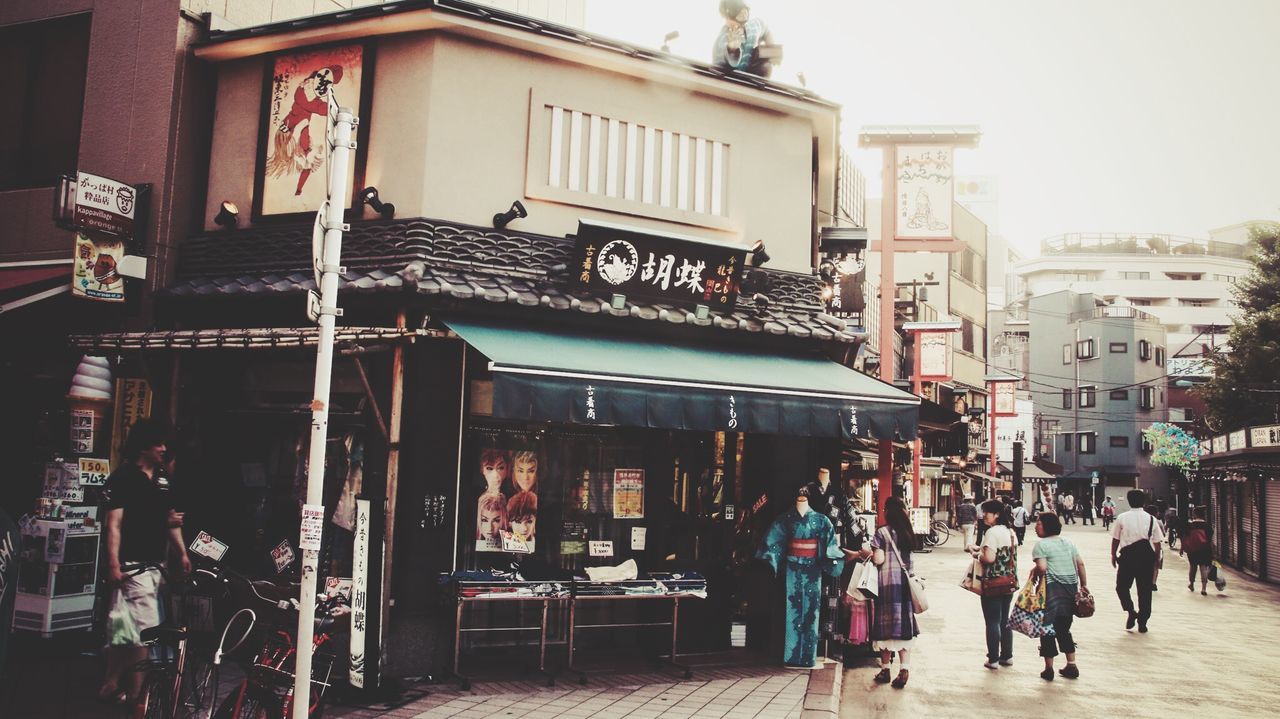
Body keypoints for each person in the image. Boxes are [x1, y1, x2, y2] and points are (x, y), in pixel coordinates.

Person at [99, 420, 192, 707]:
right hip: (132, 564)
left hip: (156, 564)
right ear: (143, 447)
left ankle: (111, 683)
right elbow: (114, 524)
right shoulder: (123, 478)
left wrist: (183, 552)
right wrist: (113, 563)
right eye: (158, 444)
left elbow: (172, 519)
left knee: (124, 627)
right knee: (145, 629)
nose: (164, 449)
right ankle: (139, 698)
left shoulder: (163, 478)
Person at [869, 497, 919, 689]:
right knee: (903, 629)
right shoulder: (907, 532)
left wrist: (872, 553)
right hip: (905, 585)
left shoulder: (882, 532)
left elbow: (879, 559)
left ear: (887, 511)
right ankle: (904, 669)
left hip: (887, 585)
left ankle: (885, 670)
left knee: (885, 628)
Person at [1031, 512, 1088, 680]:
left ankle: (1049, 669)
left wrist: (1035, 571)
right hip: (1070, 590)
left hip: (1051, 592)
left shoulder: (1041, 545)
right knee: (1064, 628)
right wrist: (1084, 586)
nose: (1035, 526)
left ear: (1047, 526)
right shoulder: (1069, 543)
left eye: (1038, 523)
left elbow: (1042, 567)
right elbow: (1080, 564)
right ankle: (1071, 665)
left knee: (1047, 628)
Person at [969, 500, 1017, 670]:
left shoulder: (992, 532)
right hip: (1009, 582)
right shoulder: (1010, 532)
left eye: (986, 512)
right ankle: (1007, 656)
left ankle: (993, 659)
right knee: (1005, 620)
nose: (983, 516)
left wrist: (977, 555)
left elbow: (989, 558)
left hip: (993, 583)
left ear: (996, 514)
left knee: (992, 621)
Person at [1111, 489, 1165, 632]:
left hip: (1127, 556)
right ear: (1144, 502)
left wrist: (1113, 554)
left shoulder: (1122, 518)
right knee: (1145, 591)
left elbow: (1115, 538)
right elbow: (1157, 542)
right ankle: (1143, 622)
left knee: (1121, 587)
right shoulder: (1151, 519)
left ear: (1129, 501)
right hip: (1146, 557)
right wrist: (1157, 559)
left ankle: (1130, 610)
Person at [711, 1, 776, 78]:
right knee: (726, 64)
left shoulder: (753, 26)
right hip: (731, 77)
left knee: (765, 55)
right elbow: (720, 65)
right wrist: (732, 49)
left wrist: (773, 52)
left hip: (752, 75)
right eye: (728, 18)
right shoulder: (723, 38)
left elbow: (766, 30)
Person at [1180, 507, 1215, 595]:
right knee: (1203, 568)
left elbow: (1184, 538)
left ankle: (1191, 584)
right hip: (1204, 550)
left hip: (1192, 550)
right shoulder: (1207, 526)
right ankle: (1203, 588)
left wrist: (1182, 548)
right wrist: (1212, 552)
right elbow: (1210, 540)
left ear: (1195, 514)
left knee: (1193, 567)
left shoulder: (1190, 526)